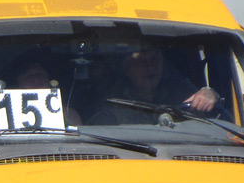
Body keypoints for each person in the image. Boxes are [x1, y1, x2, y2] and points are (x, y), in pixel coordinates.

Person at [90, 45, 219, 124]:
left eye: (155, 58)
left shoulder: (179, 90)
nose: (149, 66)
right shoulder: (108, 103)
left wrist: (210, 95)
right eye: (139, 60)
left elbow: (220, 125)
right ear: (125, 68)